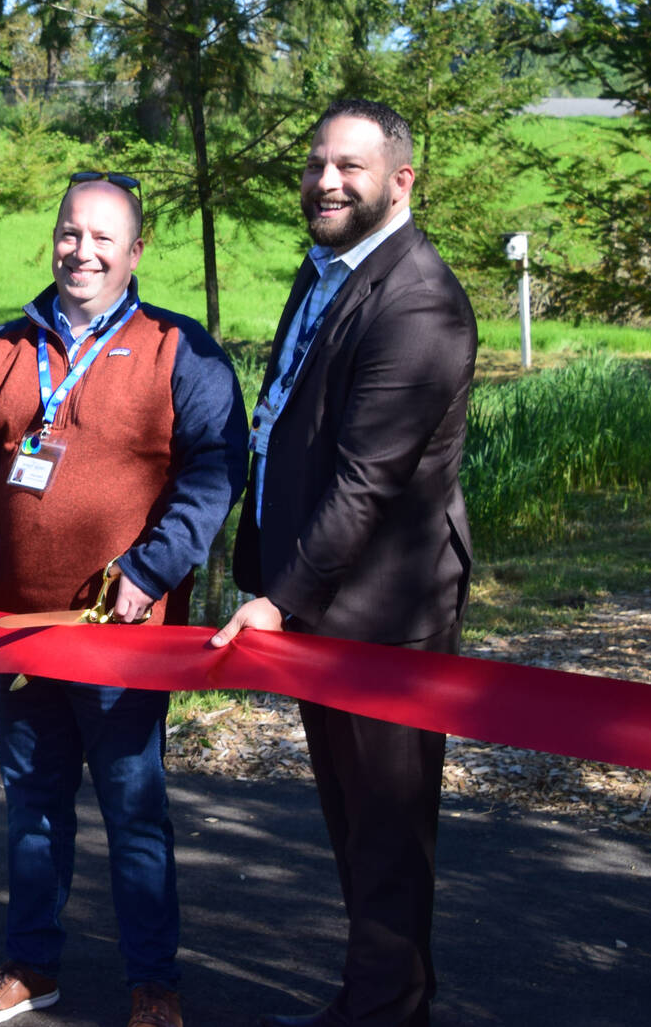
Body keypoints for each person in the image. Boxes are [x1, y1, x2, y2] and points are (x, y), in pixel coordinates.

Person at [0, 174, 247, 1027]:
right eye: (71, 232)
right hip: (19, 633)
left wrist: (151, 571)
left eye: (104, 236)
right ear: (54, 238)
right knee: (31, 808)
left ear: (136, 250)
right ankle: (31, 966)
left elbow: (215, 473)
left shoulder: (179, 348)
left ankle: (154, 983)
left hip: (123, 635)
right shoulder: (0, 350)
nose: (84, 250)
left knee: (132, 809)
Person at [214, 99, 478, 1027]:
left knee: (388, 827)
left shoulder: (420, 301)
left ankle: (387, 1012)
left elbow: (366, 481)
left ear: (400, 181)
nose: (326, 180)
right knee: (353, 821)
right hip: (324, 599)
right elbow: (287, 421)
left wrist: (279, 601)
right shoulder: (326, 268)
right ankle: (376, 1002)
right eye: (318, 161)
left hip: (386, 610)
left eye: (350, 167)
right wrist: (263, 569)